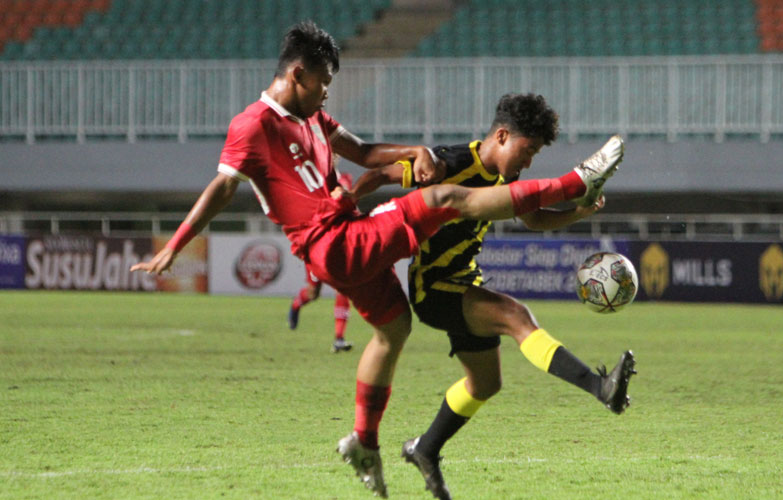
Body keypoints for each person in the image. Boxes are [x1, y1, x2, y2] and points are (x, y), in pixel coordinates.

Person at [129, 22, 625, 498]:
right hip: (333, 242)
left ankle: (366, 443)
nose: (327, 92)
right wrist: (176, 243)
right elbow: (223, 185)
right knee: (447, 203)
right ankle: (578, 178)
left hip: (346, 240)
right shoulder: (253, 124)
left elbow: (365, 153)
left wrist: (409, 151)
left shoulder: (314, 119)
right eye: (323, 82)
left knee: (395, 329)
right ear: (297, 75)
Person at [350, 93, 636, 500]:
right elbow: (382, 174)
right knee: (515, 316)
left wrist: (578, 213)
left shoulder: (503, 174)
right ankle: (599, 387)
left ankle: (425, 449)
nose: (529, 161)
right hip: (434, 287)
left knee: (485, 383)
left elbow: (531, 216)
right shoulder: (451, 163)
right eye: (528, 149)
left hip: (464, 281)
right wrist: (352, 199)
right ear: (502, 135)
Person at [288, 170, 354, 354]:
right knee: (313, 292)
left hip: (339, 242)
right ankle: (296, 305)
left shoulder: (344, 179)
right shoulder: (309, 180)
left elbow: (347, 197)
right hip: (316, 244)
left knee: (343, 287)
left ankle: (339, 338)